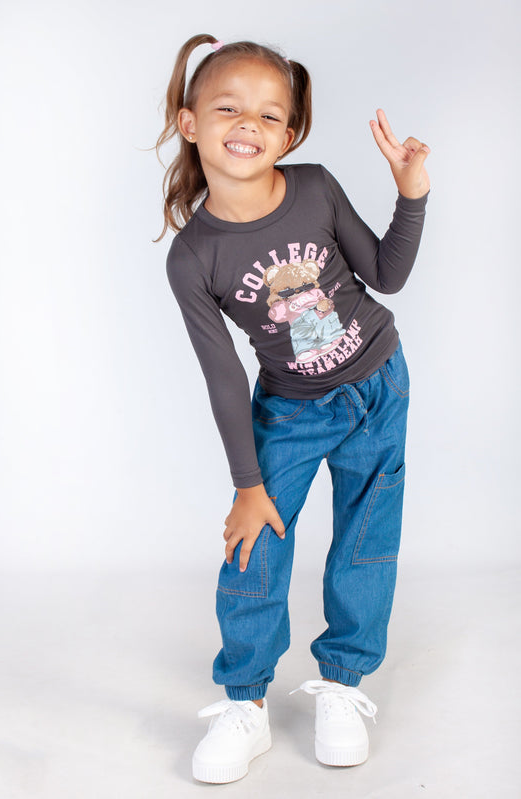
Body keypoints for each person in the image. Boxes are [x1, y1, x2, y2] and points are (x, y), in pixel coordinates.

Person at [154, 33, 430, 784]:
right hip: (291, 411)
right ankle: (244, 700)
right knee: (256, 547)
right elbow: (222, 376)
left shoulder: (314, 188)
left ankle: (342, 683)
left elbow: (385, 276)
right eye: (228, 108)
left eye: (270, 115)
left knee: (366, 540)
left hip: (380, 387)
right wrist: (247, 485)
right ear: (189, 123)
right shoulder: (193, 256)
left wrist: (410, 194)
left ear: (289, 135)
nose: (249, 123)